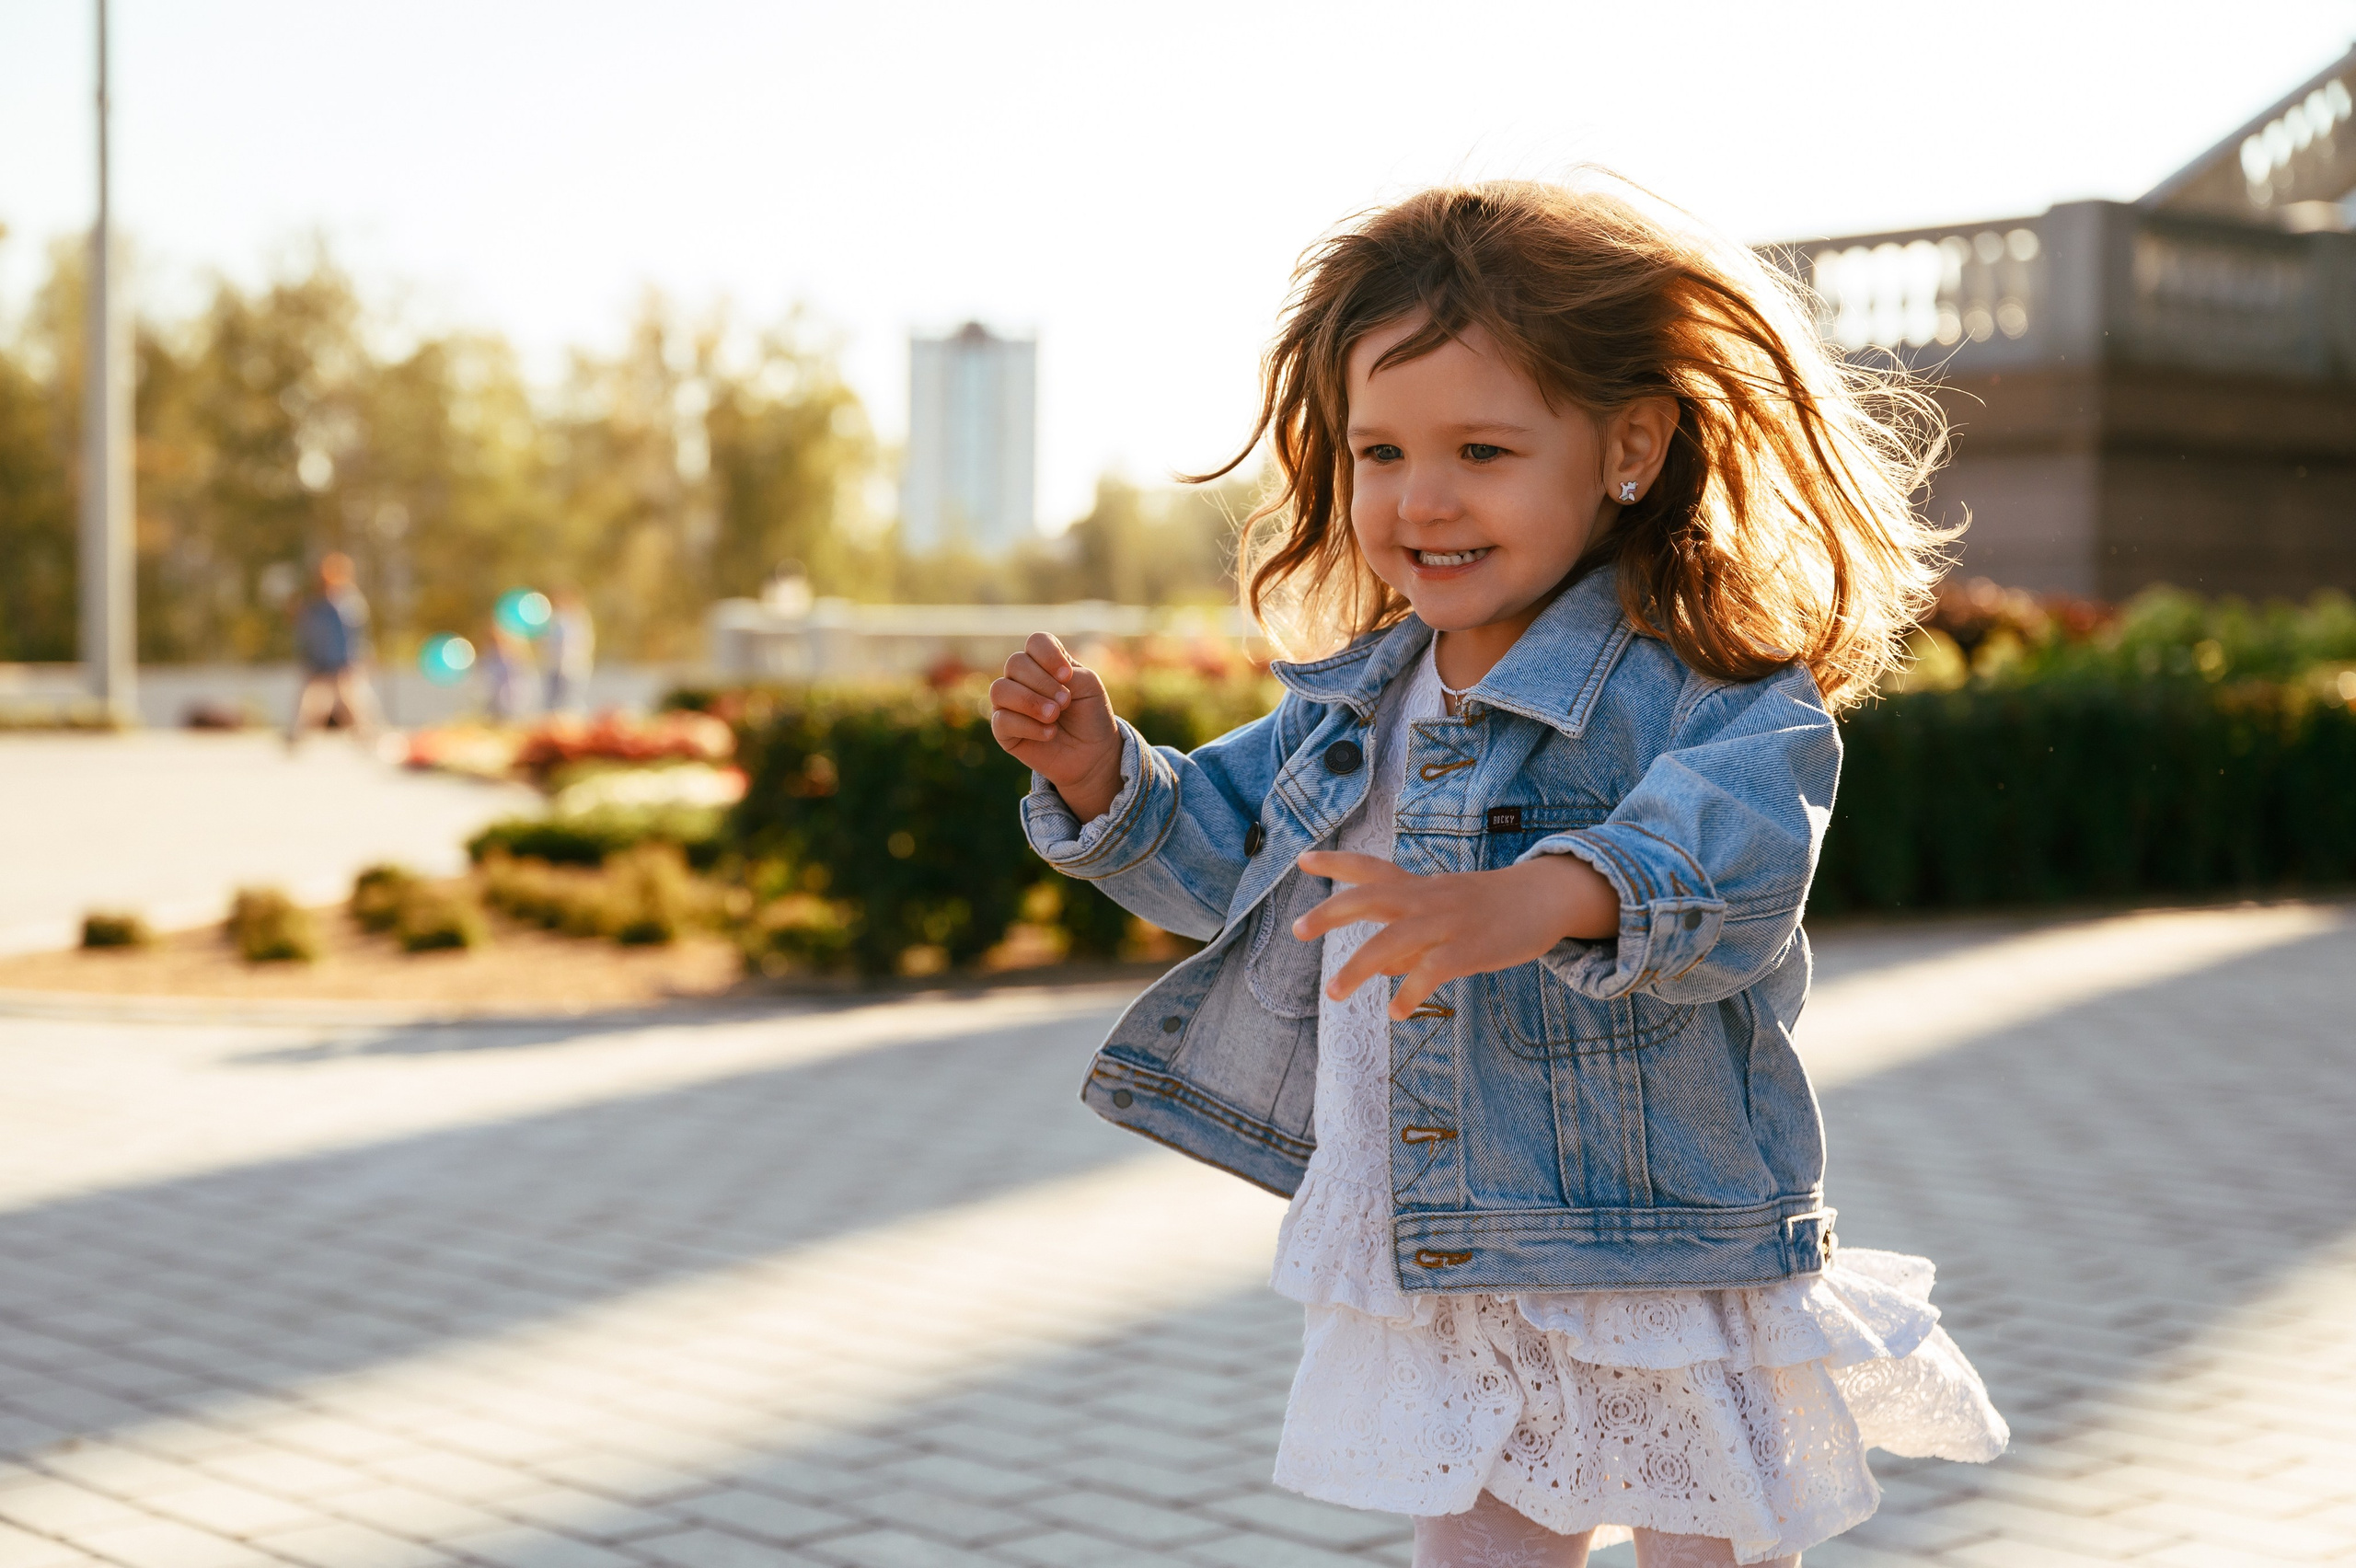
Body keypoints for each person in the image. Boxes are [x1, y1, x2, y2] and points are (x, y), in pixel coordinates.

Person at [990, 180, 2006, 1567]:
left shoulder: (1700, 688)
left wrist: (1538, 894)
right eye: (1381, 452)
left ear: (1629, 447)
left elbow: (1740, 859)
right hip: (1456, 1258)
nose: (1424, 499)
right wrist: (1101, 774)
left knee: (1711, 1543)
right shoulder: (1355, 703)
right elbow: (1226, 865)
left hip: (1656, 1248)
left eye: (1481, 448)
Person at [286, 552, 382, 746]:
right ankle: (297, 735)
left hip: (344, 662)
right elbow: (311, 634)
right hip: (322, 663)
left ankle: (369, 734)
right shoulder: (317, 605)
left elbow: (356, 637)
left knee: (356, 702)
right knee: (312, 702)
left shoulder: (349, 603)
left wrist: (358, 660)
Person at [542, 587, 595, 715]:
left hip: (574, 667)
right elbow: (547, 643)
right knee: (552, 702)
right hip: (554, 667)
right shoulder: (553, 619)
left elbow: (582, 643)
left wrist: (571, 661)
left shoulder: (579, 619)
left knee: (571, 701)